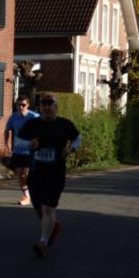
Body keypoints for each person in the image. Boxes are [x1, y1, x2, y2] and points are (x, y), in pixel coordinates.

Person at [17, 93, 82, 258]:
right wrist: (28, 144)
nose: (46, 107)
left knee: (48, 207)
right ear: (39, 107)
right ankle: (54, 226)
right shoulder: (32, 124)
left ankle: (43, 242)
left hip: (56, 173)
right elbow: (17, 142)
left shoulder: (64, 124)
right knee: (39, 208)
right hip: (36, 172)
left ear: (56, 107)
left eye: (50, 104)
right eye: (43, 104)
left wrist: (70, 149)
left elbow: (78, 139)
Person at [4, 95, 39, 205]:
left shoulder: (34, 117)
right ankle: (26, 196)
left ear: (27, 105)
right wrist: (7, 143)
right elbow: (7, 130)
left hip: (31, 151)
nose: (20, 107)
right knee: (20, 176)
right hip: (18, 151)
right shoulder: (13, 117)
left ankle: (31, 193)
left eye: (23, 105)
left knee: (26, 175)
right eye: (18, 104)